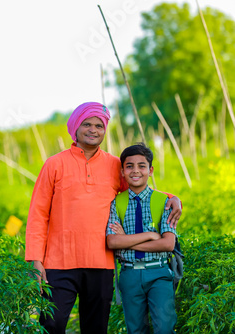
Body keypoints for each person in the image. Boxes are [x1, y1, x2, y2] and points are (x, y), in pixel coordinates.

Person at [25, 102, 181, 334]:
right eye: (87, 124)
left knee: (96, 327)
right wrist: (35, 259)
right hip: (59, 261)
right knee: (52, 324)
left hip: (101, 262)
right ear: (75, 127)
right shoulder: (54, 164)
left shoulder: (114, 165)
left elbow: (137, 187)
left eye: (99, 125)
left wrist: (172, 197)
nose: (93, 129)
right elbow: (38, 214)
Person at [107, 143, 177, 333]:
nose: (135, 171)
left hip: (159, 273)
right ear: (122, 171)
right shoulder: (116, 203)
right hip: (129, 275)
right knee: (136, 329)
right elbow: (112, 242)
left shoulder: (164, 201)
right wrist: (149, 236)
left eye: (141, 165)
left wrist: (127, 241)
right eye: (129, 166)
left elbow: (168, 244)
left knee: (164, 328)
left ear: (150, 170)